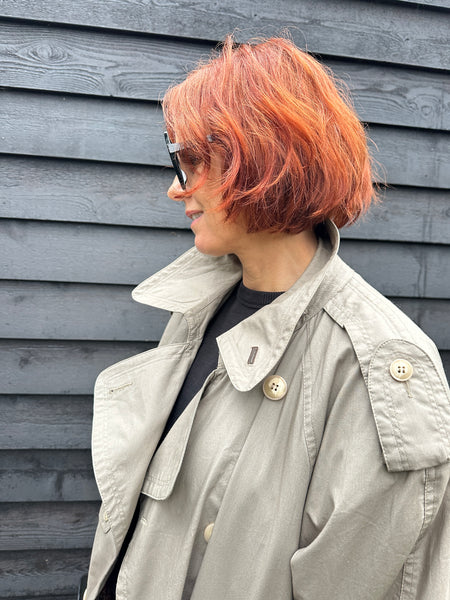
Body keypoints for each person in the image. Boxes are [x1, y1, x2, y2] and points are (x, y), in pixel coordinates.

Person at [83, 37, 450, 599]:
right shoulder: (201, 306)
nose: (176, 187)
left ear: (268, 160)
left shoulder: (376, 364)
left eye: (193, 161)